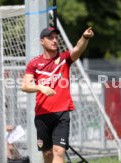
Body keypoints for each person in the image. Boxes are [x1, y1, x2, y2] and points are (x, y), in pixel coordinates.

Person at [21, 26, 94, 163]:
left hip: (61, 113)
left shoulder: (64, 59)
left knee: (59, 151)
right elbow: (25, 86)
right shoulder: (34, 63)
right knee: (48, 154)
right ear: (42, 41)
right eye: (50, 38)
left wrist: (85, 37)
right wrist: (40, 87)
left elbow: (78, 49)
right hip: (42, 114)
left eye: (56, 37)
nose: (54, 40)